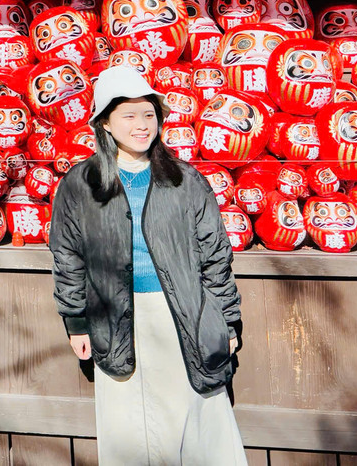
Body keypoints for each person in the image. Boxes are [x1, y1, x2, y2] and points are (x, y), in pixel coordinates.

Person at [49, 66, 247, 465]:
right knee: (128, 425)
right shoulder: (80, 183)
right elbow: (67, 255)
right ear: (104, 122)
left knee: (196, 418)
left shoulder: (185, 180)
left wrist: (228, 320)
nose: (142, 125)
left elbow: (214, 255)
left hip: (182, 312)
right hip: (115, 315)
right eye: (129, 115)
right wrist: (76, 321)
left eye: (149, 114)